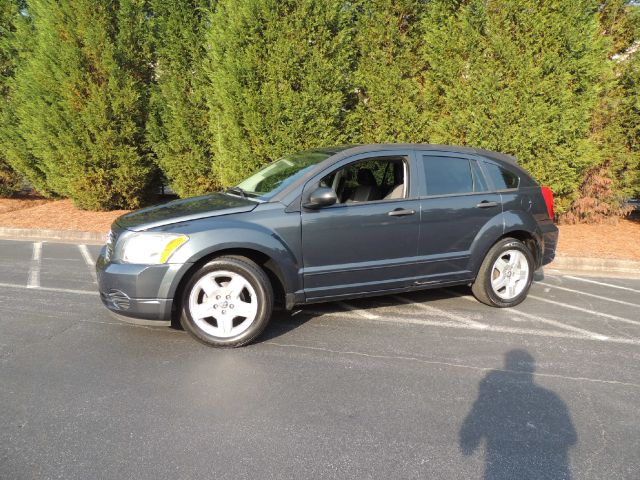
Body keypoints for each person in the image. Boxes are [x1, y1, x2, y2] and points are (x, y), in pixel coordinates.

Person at [459, 349, 577, 480]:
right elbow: (570, 436)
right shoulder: (550, 399)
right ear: (531, 370)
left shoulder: (494, 398)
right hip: (539, 471)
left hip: (502, 469)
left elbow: (471, 430)